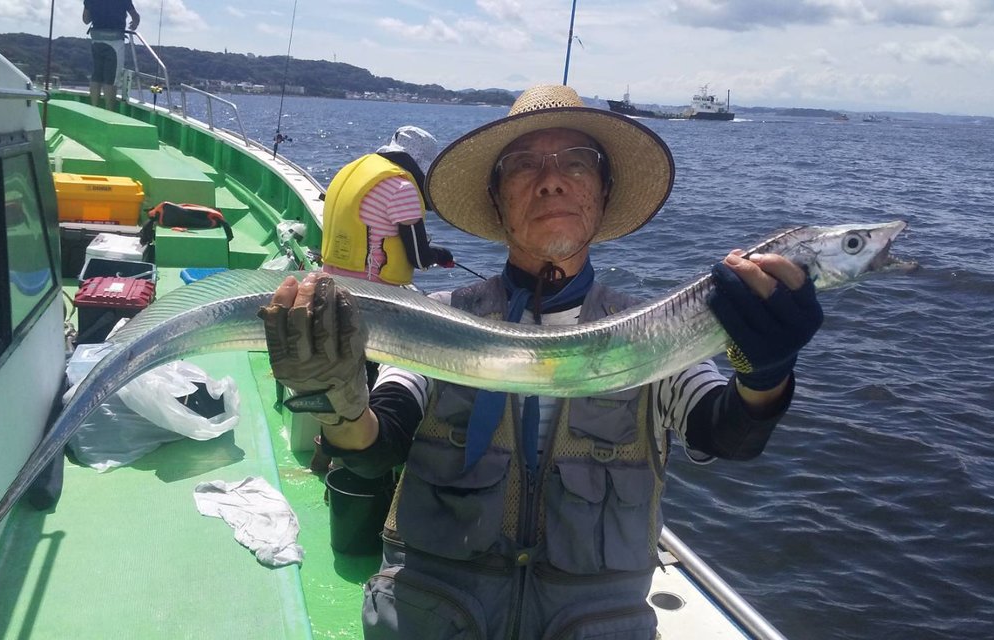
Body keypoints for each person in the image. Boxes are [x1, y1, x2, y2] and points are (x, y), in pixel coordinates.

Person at [258, 84, 823, 639]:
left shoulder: (652, 334)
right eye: (524, 166)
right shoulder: (439, 319)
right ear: (498, 202)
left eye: (577, 163)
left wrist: (765, 375)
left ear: (601, 195)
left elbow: (725, 431)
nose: (551, 180)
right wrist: (336, 401)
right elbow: (377, 442)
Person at [320, 125, 455, 285]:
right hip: (371, 285)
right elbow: (419, 259)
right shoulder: (402, 188)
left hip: (331, 277)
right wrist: (439, 255)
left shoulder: (354, 170)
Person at [82, 0, 140, 111]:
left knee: (96, 75)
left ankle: (94, 109)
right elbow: (135, 16)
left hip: (96, 39)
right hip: (114, 41)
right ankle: (109, 111)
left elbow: (86, 20)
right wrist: (135, 23)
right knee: (111, 79)